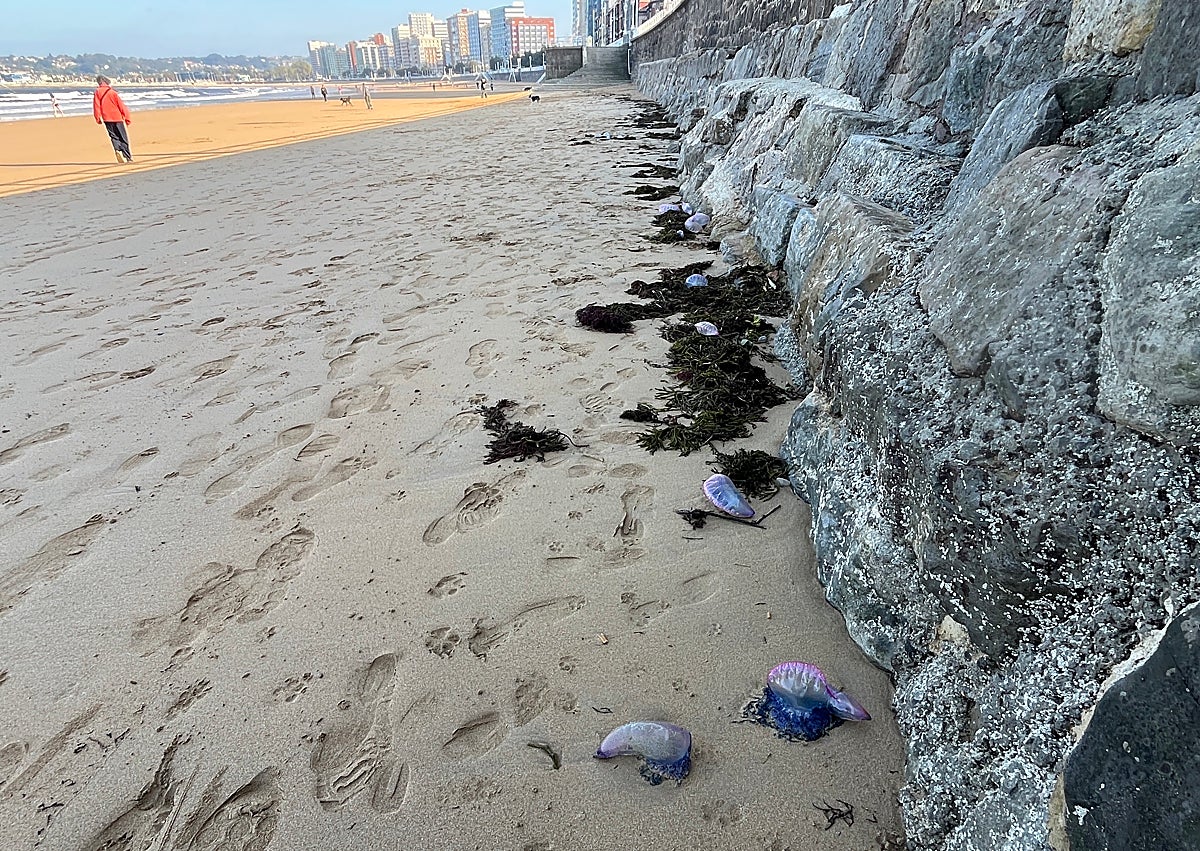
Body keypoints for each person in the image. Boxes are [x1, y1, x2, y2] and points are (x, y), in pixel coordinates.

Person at [92, 76, 132, 163]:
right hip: (117, 117)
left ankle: (117, 149)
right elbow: (121, 106)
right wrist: (127, 118)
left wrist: (97, 117)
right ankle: (127, 156)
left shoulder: (97, 92)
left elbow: (96, 106)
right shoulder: (112, 92)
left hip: (106, 118)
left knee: (113, 136)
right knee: (123, 137)